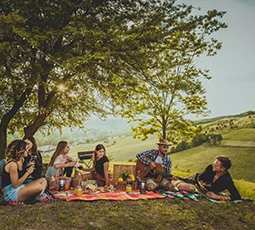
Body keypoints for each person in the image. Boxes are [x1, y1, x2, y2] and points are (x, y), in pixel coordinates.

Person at [175, 156, 241, 201]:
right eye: (214, 163)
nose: (213, 165)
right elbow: (200, 177)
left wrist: (217, 197)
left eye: (216, 165)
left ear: (222, 169)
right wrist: (201, 184)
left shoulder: (227, 180)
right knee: (176, 183)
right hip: (197, 182)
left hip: (204, 190)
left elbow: (237, 196)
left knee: (180, 186)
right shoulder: (210, 168)